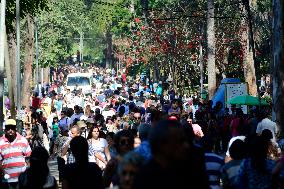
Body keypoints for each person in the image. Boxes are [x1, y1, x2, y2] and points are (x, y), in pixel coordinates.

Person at [0, 119, 32, 189]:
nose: (10, 130)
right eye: (8, 128)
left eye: (12, 128)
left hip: (21, 180)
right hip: (6, 180)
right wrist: (3, 173)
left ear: (15, 128)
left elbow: (29, 157)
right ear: (5, 129)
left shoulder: (23, 140)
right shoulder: (0, 142)